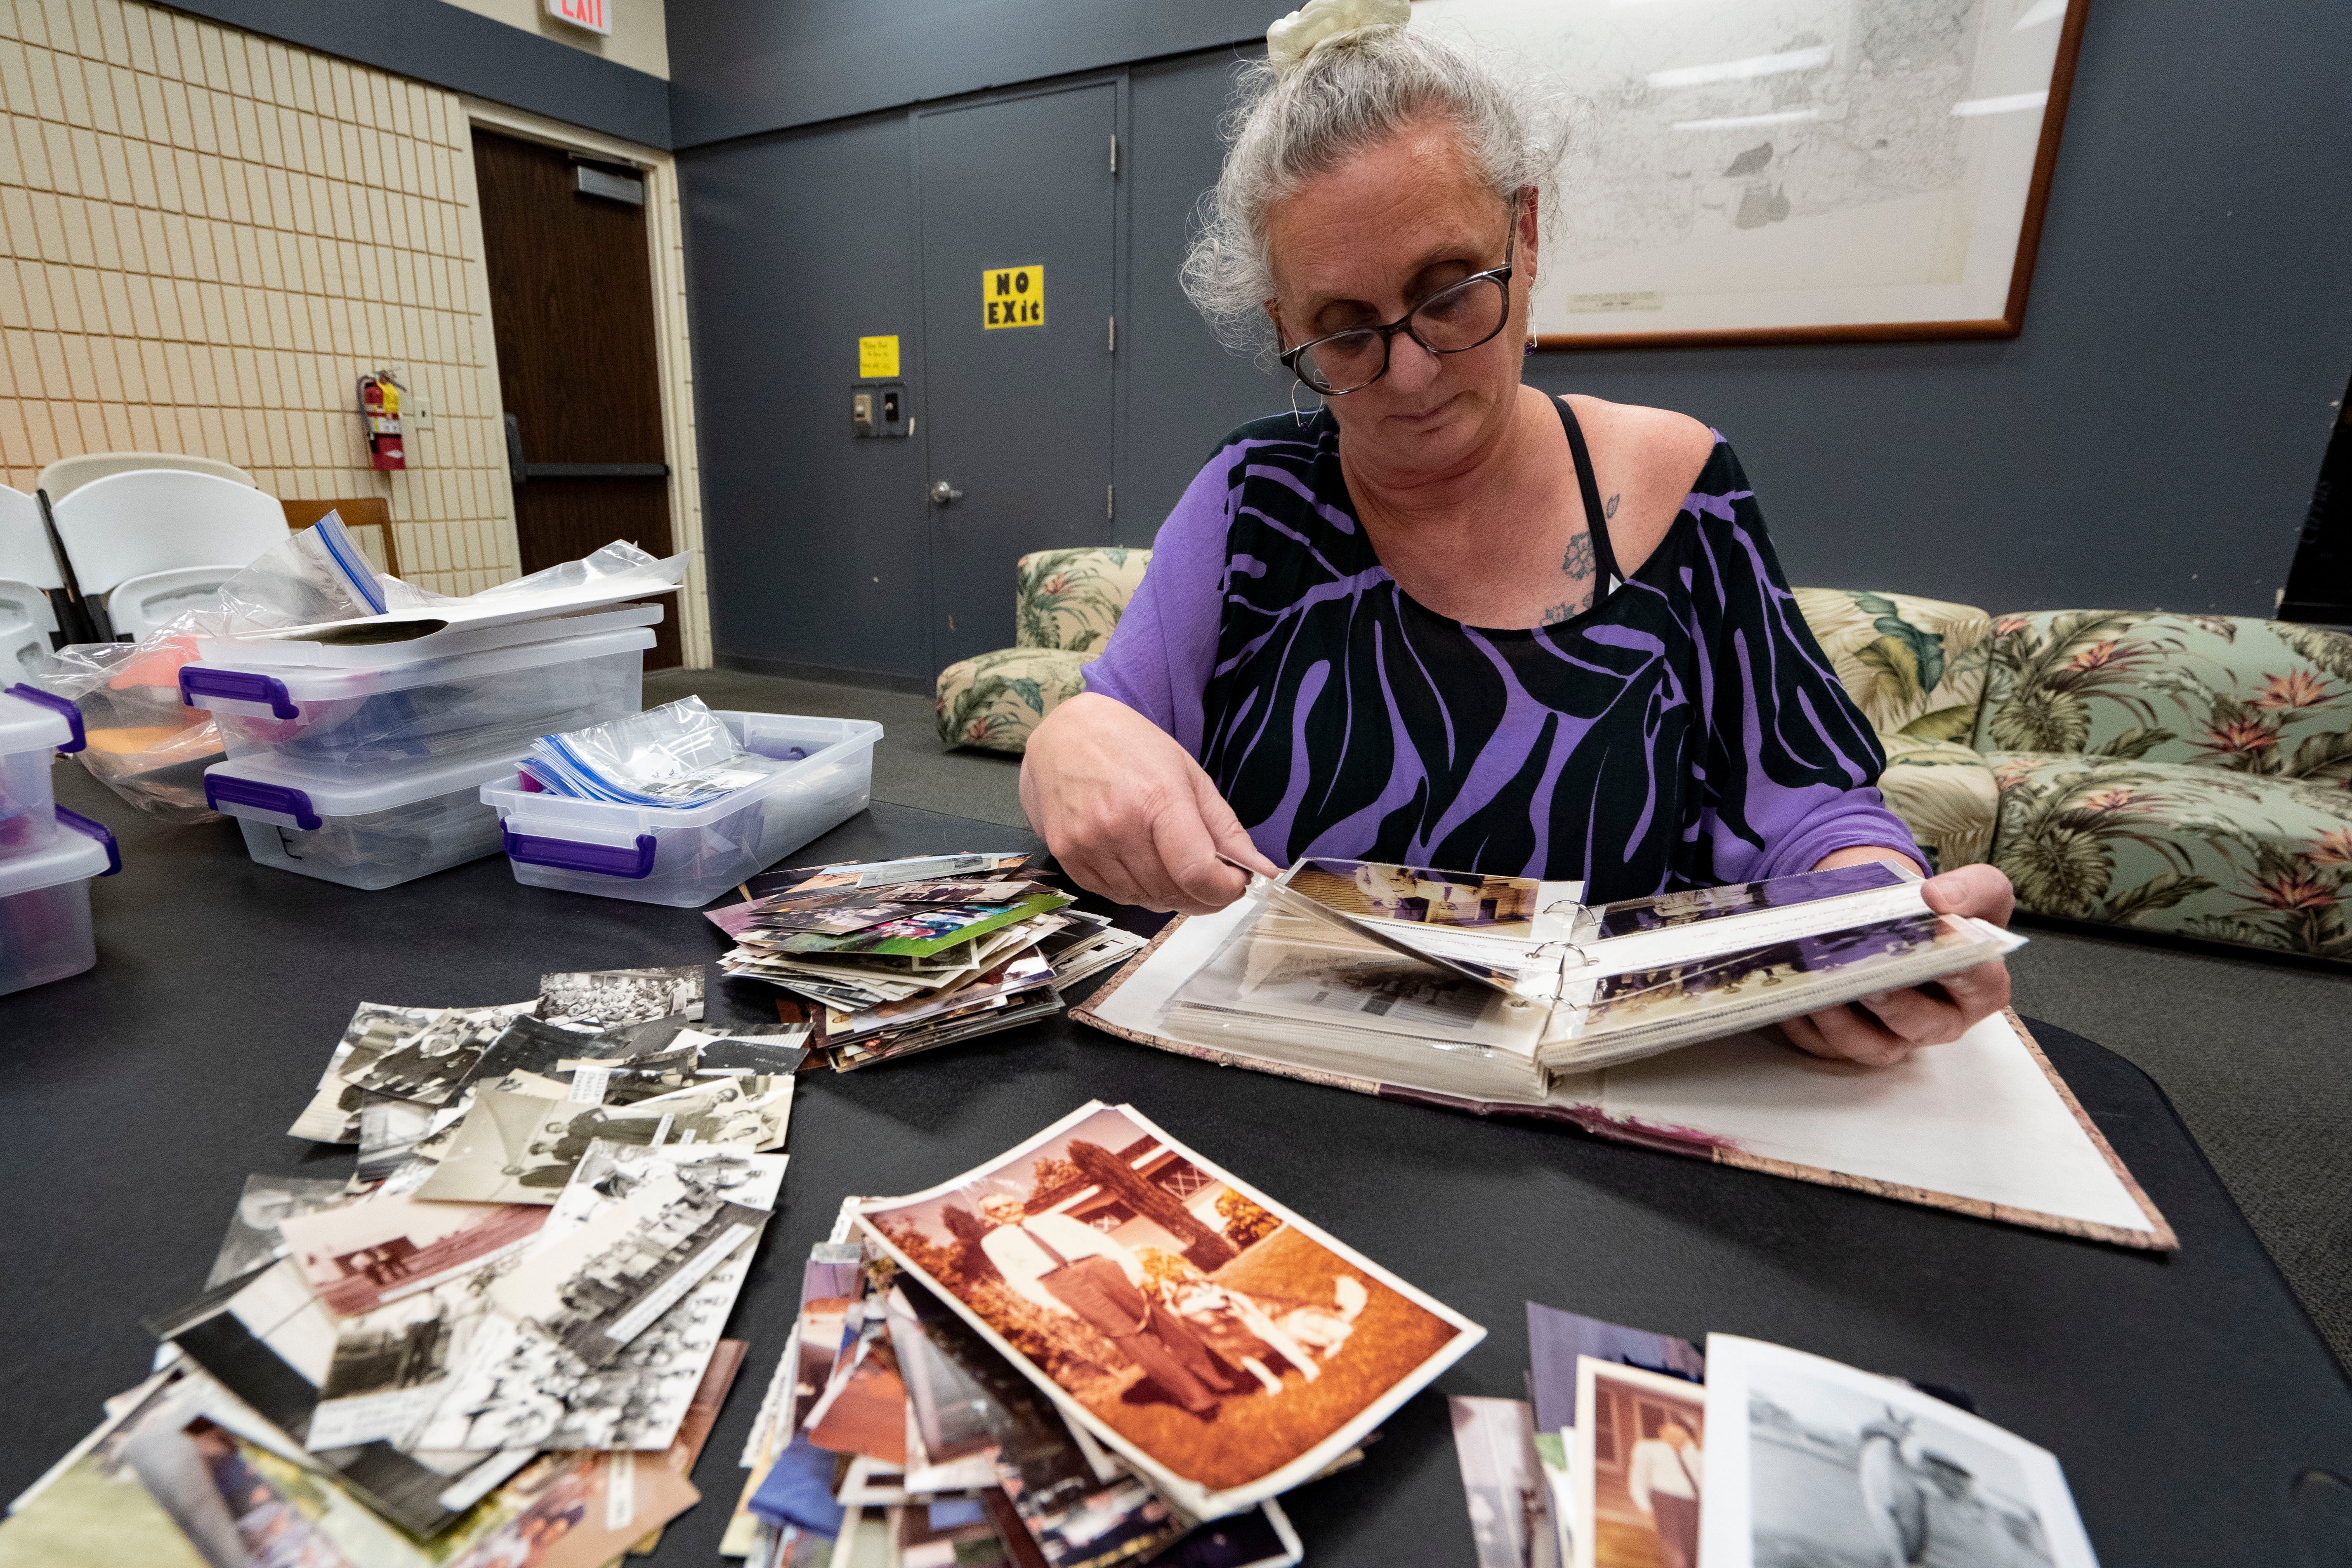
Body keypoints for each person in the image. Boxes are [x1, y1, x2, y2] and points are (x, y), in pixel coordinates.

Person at [1018, 0, 2013, 1067]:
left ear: (1524, 231)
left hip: (1584, 1159)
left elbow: (1810, 802)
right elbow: (1104, 746)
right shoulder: (1251, 501)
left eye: (1448, 292)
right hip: (1272, 1123)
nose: (1407, 370)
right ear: (1282, 326)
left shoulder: (1680, 494)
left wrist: (1870, 920)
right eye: (1344, 330)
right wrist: (1061, 747)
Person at [975, 1194, 1245, 1415]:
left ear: (1018, 1202)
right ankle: (1198, 1398)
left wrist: (1132, 1267)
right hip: (1064, 1284)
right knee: (1131, 1338)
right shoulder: (994, 1242)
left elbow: (1100, 1241)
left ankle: (1217, 1377)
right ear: (990, 1217)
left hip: (1101, 1267)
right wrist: (1054, 1305)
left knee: (1160, 1321)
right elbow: (1018, 1278)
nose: (1004, 1210)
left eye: (1007, 1203)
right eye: (995, 1209)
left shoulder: (1053, 1219)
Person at [1626, 1414, 1703, 1568]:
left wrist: (1688, 1448)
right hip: (1666, 1502)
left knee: (1695, 1553)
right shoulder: (1648, 1448)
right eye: (1669, 1429)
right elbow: (1638, 1479)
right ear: (1662, 1431)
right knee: (1675, 1552)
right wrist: (1646, 1507)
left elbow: (1703, 1482)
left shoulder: (1696, 1455)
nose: (1674, 1434)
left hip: (1694, 1506)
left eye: (1681, 1431)